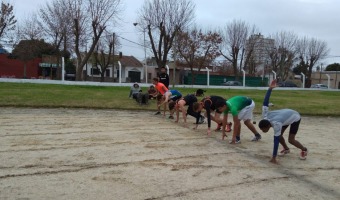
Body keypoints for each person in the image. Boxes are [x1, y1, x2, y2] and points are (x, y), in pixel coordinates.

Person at [258, 79, 308, 164]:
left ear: (268, 126)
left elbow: (276, 141)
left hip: (294, 117)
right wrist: (270, 89)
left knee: (291, 140)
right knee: (279, 135)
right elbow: (265, 102)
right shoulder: (264, 116)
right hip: (285, 116)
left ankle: (304, 150)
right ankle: (286, 149)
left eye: (263, 130)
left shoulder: (276, 124)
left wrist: (274, 157)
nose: (263, 131)